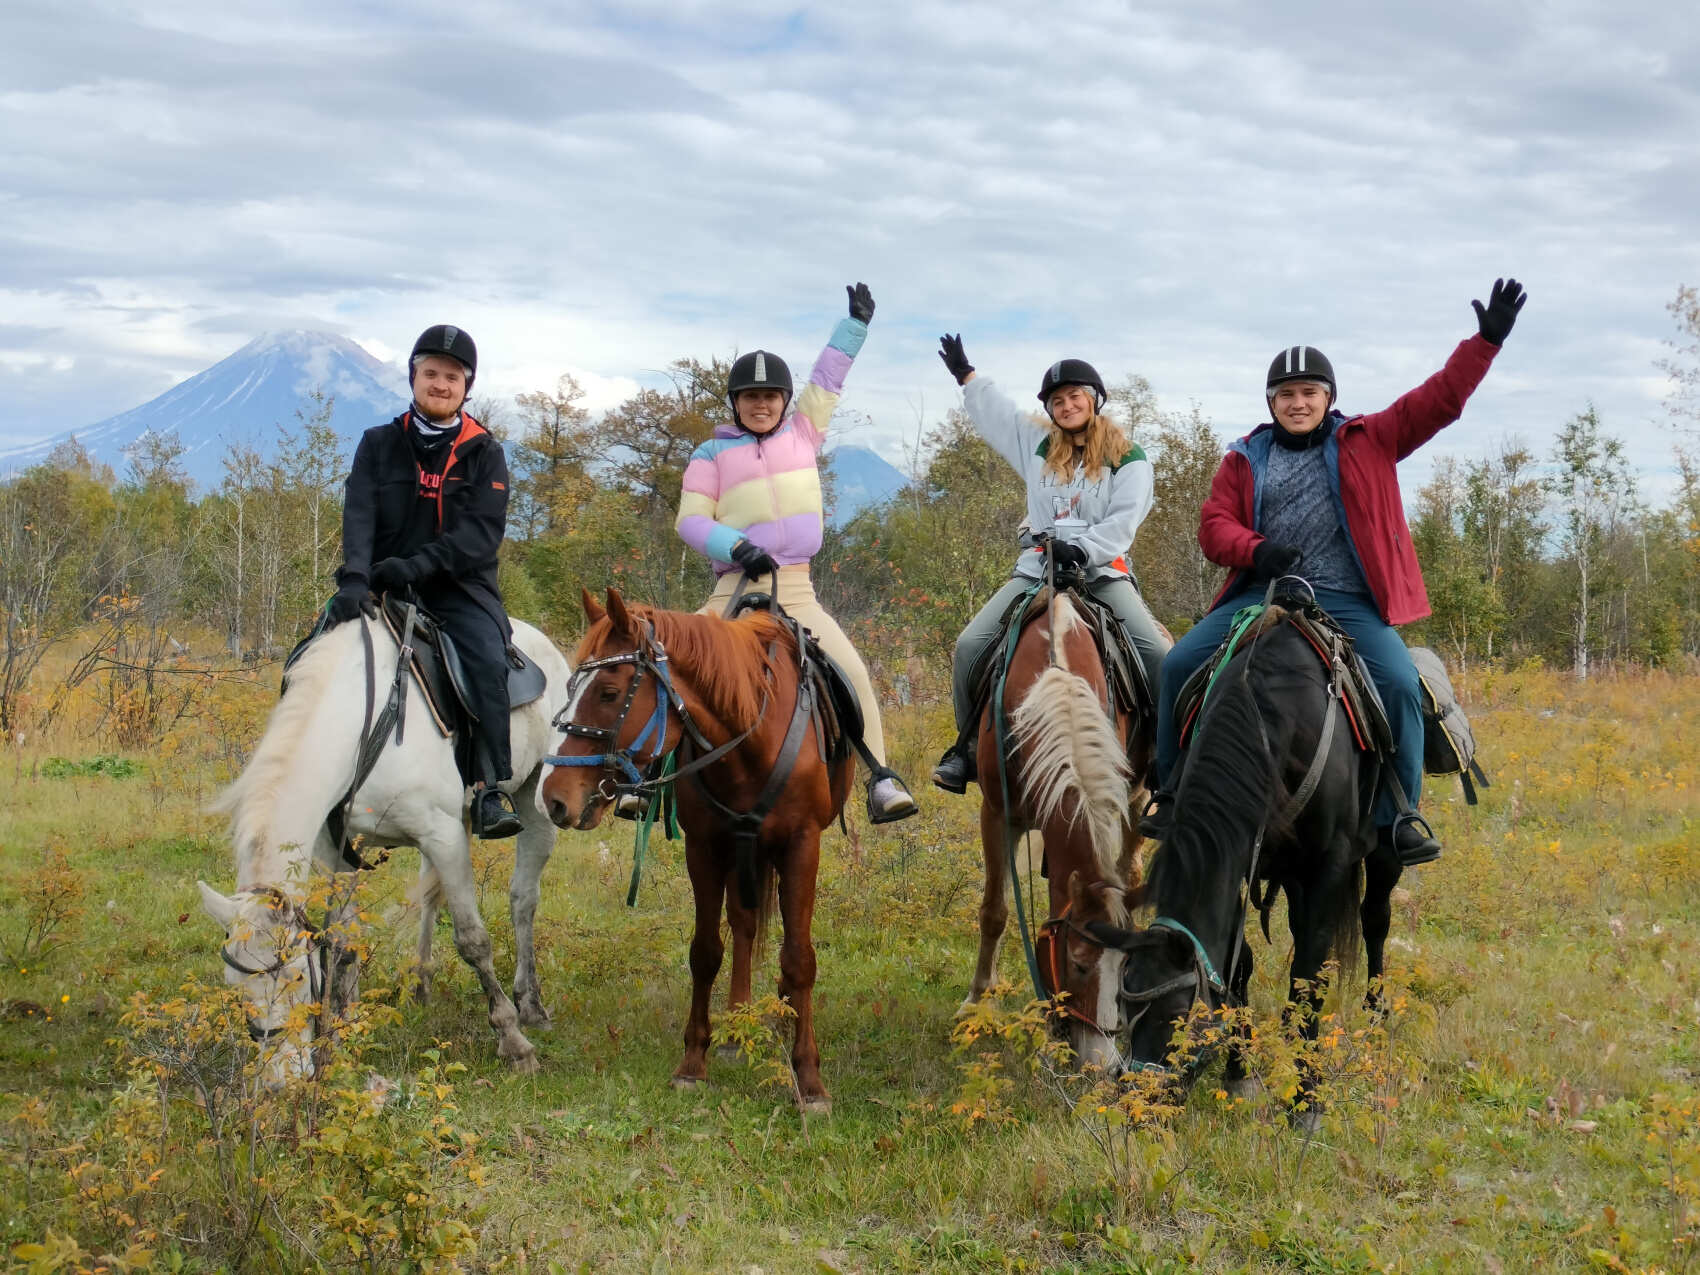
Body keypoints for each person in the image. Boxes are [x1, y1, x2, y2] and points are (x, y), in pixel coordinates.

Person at [1140, 278, 1529, 867]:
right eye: (1286, 394)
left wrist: (1486, 341)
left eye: (1309, 392)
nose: (1298, 402)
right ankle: (1171, 795)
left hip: (1345, 599)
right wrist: (1255, 549)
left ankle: (1398, 815)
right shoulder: (1243, 457)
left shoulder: (1372, 438)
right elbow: (1213, 526)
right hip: (1259, 594)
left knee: (1399, 683)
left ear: (1329, 398)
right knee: (1178, 666)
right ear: (1270, 402)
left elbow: (1441, 399)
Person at [674, 283, 918, 824]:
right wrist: (735, 546)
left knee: (852, 674)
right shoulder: (710, 452)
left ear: (784, 402)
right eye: (750, 397)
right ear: (735, 403)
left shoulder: (804, 434)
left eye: (770, 397)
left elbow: (828, 378)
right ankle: (646, 788)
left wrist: (854, 327)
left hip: (797, 590)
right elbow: (689, 520)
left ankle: (880, 779)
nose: (761, 405)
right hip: (732, 589)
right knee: (671, 670)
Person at [930, 335, 1171, 793]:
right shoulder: (1038, 446)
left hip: (1101, 574)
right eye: (1057, 400)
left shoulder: (1129, 458)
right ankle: (964, 750)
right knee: (969, 645)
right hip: (1037, 571)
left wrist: (1085, 550)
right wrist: (967, 376)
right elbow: (997, 415)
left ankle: (1162, 756)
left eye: (1075, 396)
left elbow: (1125, 521)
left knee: (1158, 655)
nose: (1066, 405)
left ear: (1095, 400)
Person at [327, 324, 525, 840]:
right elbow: (359, 515)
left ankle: (489, 786)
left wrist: (414, 567)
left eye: (452, 377)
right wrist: (354, 578)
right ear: (413, 377)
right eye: (430, 373)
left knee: (486, 656)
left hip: (459, 588)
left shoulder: (485, 451)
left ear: (467, 386)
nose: (440, 384)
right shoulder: (378, 443)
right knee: (314, 652)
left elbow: (480, 534)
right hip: (379, 583)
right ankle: (313, 775)